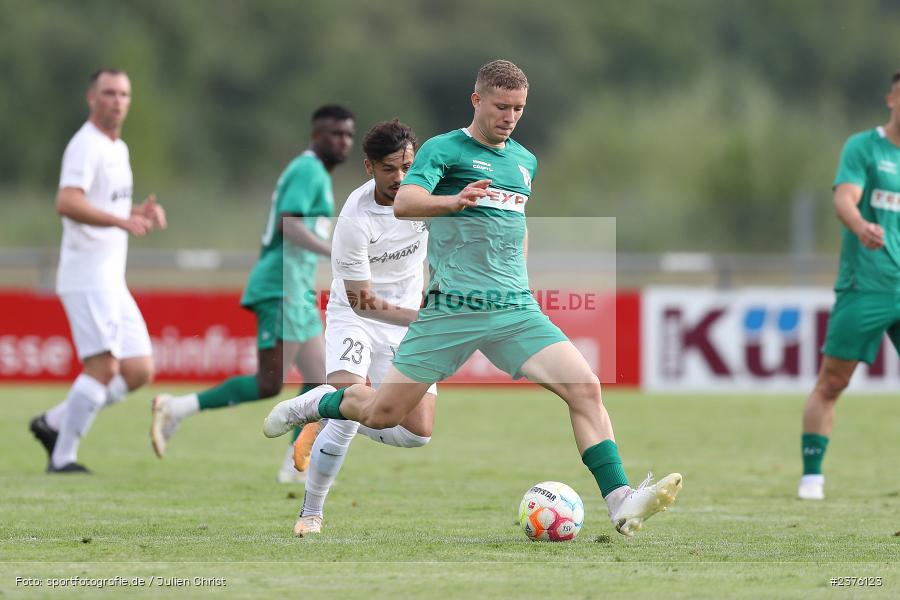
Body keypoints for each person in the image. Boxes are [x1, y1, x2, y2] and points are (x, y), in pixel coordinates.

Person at [265, 60, 682, 537]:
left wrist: (520, 279)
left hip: (513, 308)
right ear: (477, 100)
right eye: (501, 106)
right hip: (452, 309)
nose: (510, 116)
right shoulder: (443, 150)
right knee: (384, 414)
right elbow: (404, 202)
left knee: (585, 387)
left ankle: (621, 502)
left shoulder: (525, 161)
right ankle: (318, 405)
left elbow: (515, 225)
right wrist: (453, 201)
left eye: (519, 108)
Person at [151, 105, 355, 482]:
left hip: (293, 284)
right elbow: (288, 225)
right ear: (316, 136)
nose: (342, 141)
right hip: (281, 284)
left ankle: (294, 462)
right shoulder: (309, 169)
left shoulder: (315, 174)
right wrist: (336, 251)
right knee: (270, 383)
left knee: (322, 376)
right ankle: (176, 408)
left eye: (347, 135)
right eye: (334, 134)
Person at [293, 119, 438, 536]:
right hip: (357, 313)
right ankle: (311, 513)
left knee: (419, 434)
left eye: (408, 167)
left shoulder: (426, 195)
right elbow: (362, 300)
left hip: (407, 320)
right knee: (348, 413)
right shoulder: (355, 220)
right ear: (368, 167)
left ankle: (324, 408)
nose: (400, 178)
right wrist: (425, 318)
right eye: (390, 168)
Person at [29, 68, 167, 473]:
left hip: (110, 279)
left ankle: (54, 422)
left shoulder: (117, 148)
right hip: (86, 277)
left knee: (139, 369)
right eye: (109, 93)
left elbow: (101, 203)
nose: (118, 100)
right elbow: (67, 202)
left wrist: (137, 211)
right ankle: (63, 457)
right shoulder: (84, 145)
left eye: (124, 93)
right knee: (104, 368)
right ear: (92, 98)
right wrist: (121, 221)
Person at [798, 71, 900, 501]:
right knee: (832, 382)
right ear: (892, 97)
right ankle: (812, 476)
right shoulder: (864, 147)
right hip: (867, 285)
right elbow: (844, 200)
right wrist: (861, 225)